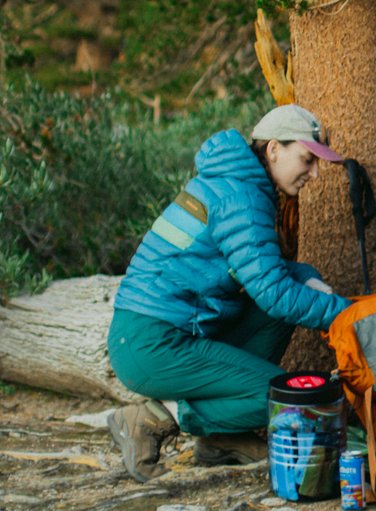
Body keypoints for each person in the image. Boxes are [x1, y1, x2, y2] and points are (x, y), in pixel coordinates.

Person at [105, 105, 349, 481]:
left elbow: (260, 272)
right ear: (273, 149)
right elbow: (273, 292)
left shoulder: (236, 184)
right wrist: (348, 315)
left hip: (166, 332)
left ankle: (221, 438)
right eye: (307, 159)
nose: (314, 173)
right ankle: (155, 417)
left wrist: (305, 277)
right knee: (281, 398)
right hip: (152, 342)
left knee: (289, 295)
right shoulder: (242, 198)